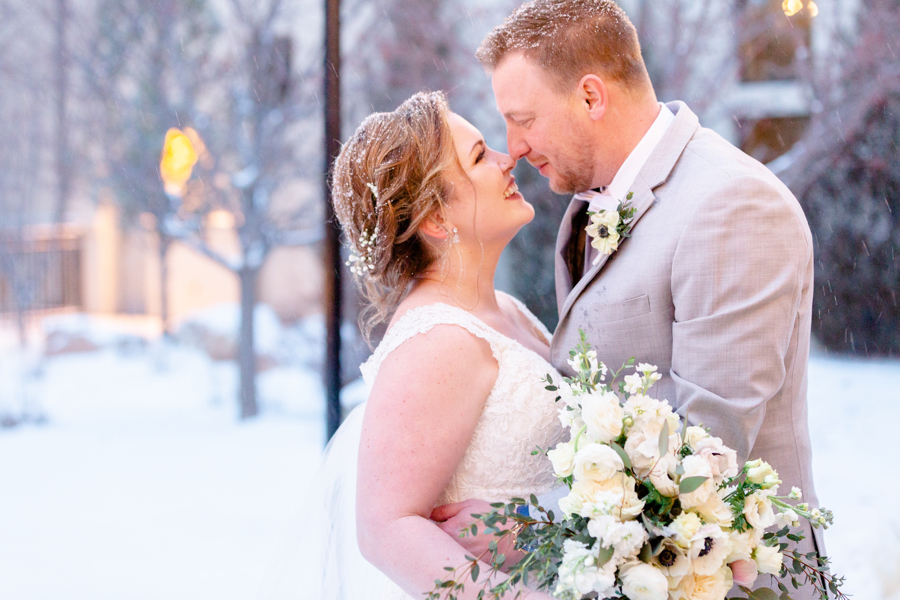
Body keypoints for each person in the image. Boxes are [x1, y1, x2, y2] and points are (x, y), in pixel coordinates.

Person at [432, 1, 825, 598]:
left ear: (591, 97)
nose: (512, 147)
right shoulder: (595, 201)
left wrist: (534, 528)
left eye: (523, 118)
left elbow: (705, 459)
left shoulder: (732, 206)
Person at [305, 91, 565, 600]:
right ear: (436, 220)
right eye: (479, 156)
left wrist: (545, 527)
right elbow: (386, 530)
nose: (506, 158)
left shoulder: (503, 309)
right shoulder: (439, 340)